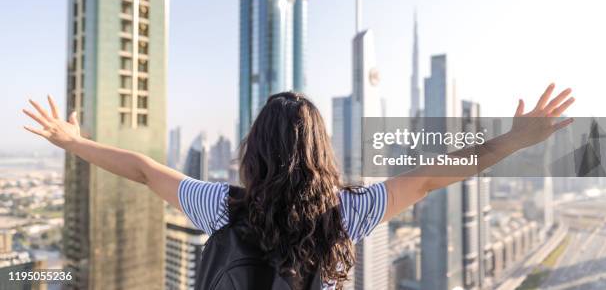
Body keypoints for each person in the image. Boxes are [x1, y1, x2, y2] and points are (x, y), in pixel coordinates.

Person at [22, 84, 574, 289]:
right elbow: (430, 177)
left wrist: (73, 141)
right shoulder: (349, 213)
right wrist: (514, 141)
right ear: (320, 151)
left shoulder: (221, 206)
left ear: (253, 151)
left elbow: (142, 169)